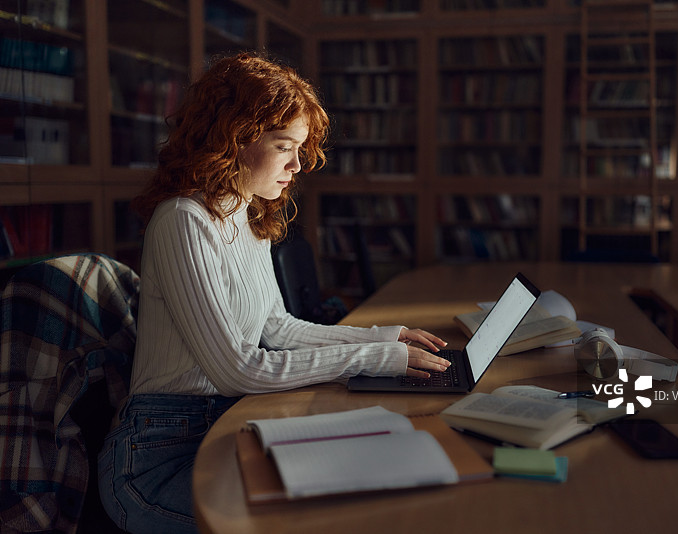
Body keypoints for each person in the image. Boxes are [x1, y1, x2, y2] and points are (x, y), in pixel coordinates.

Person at [97, 52, 450, 534]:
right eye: (285, 146)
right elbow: (236, 370)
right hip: (158, 456)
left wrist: (390, 336)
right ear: (235, 138)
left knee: (368, 482)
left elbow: (277, 328)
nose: (298, 165)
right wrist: (375, 357)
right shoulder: (183, 220)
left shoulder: (247, 214)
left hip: (225, 427)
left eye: (301, 148)